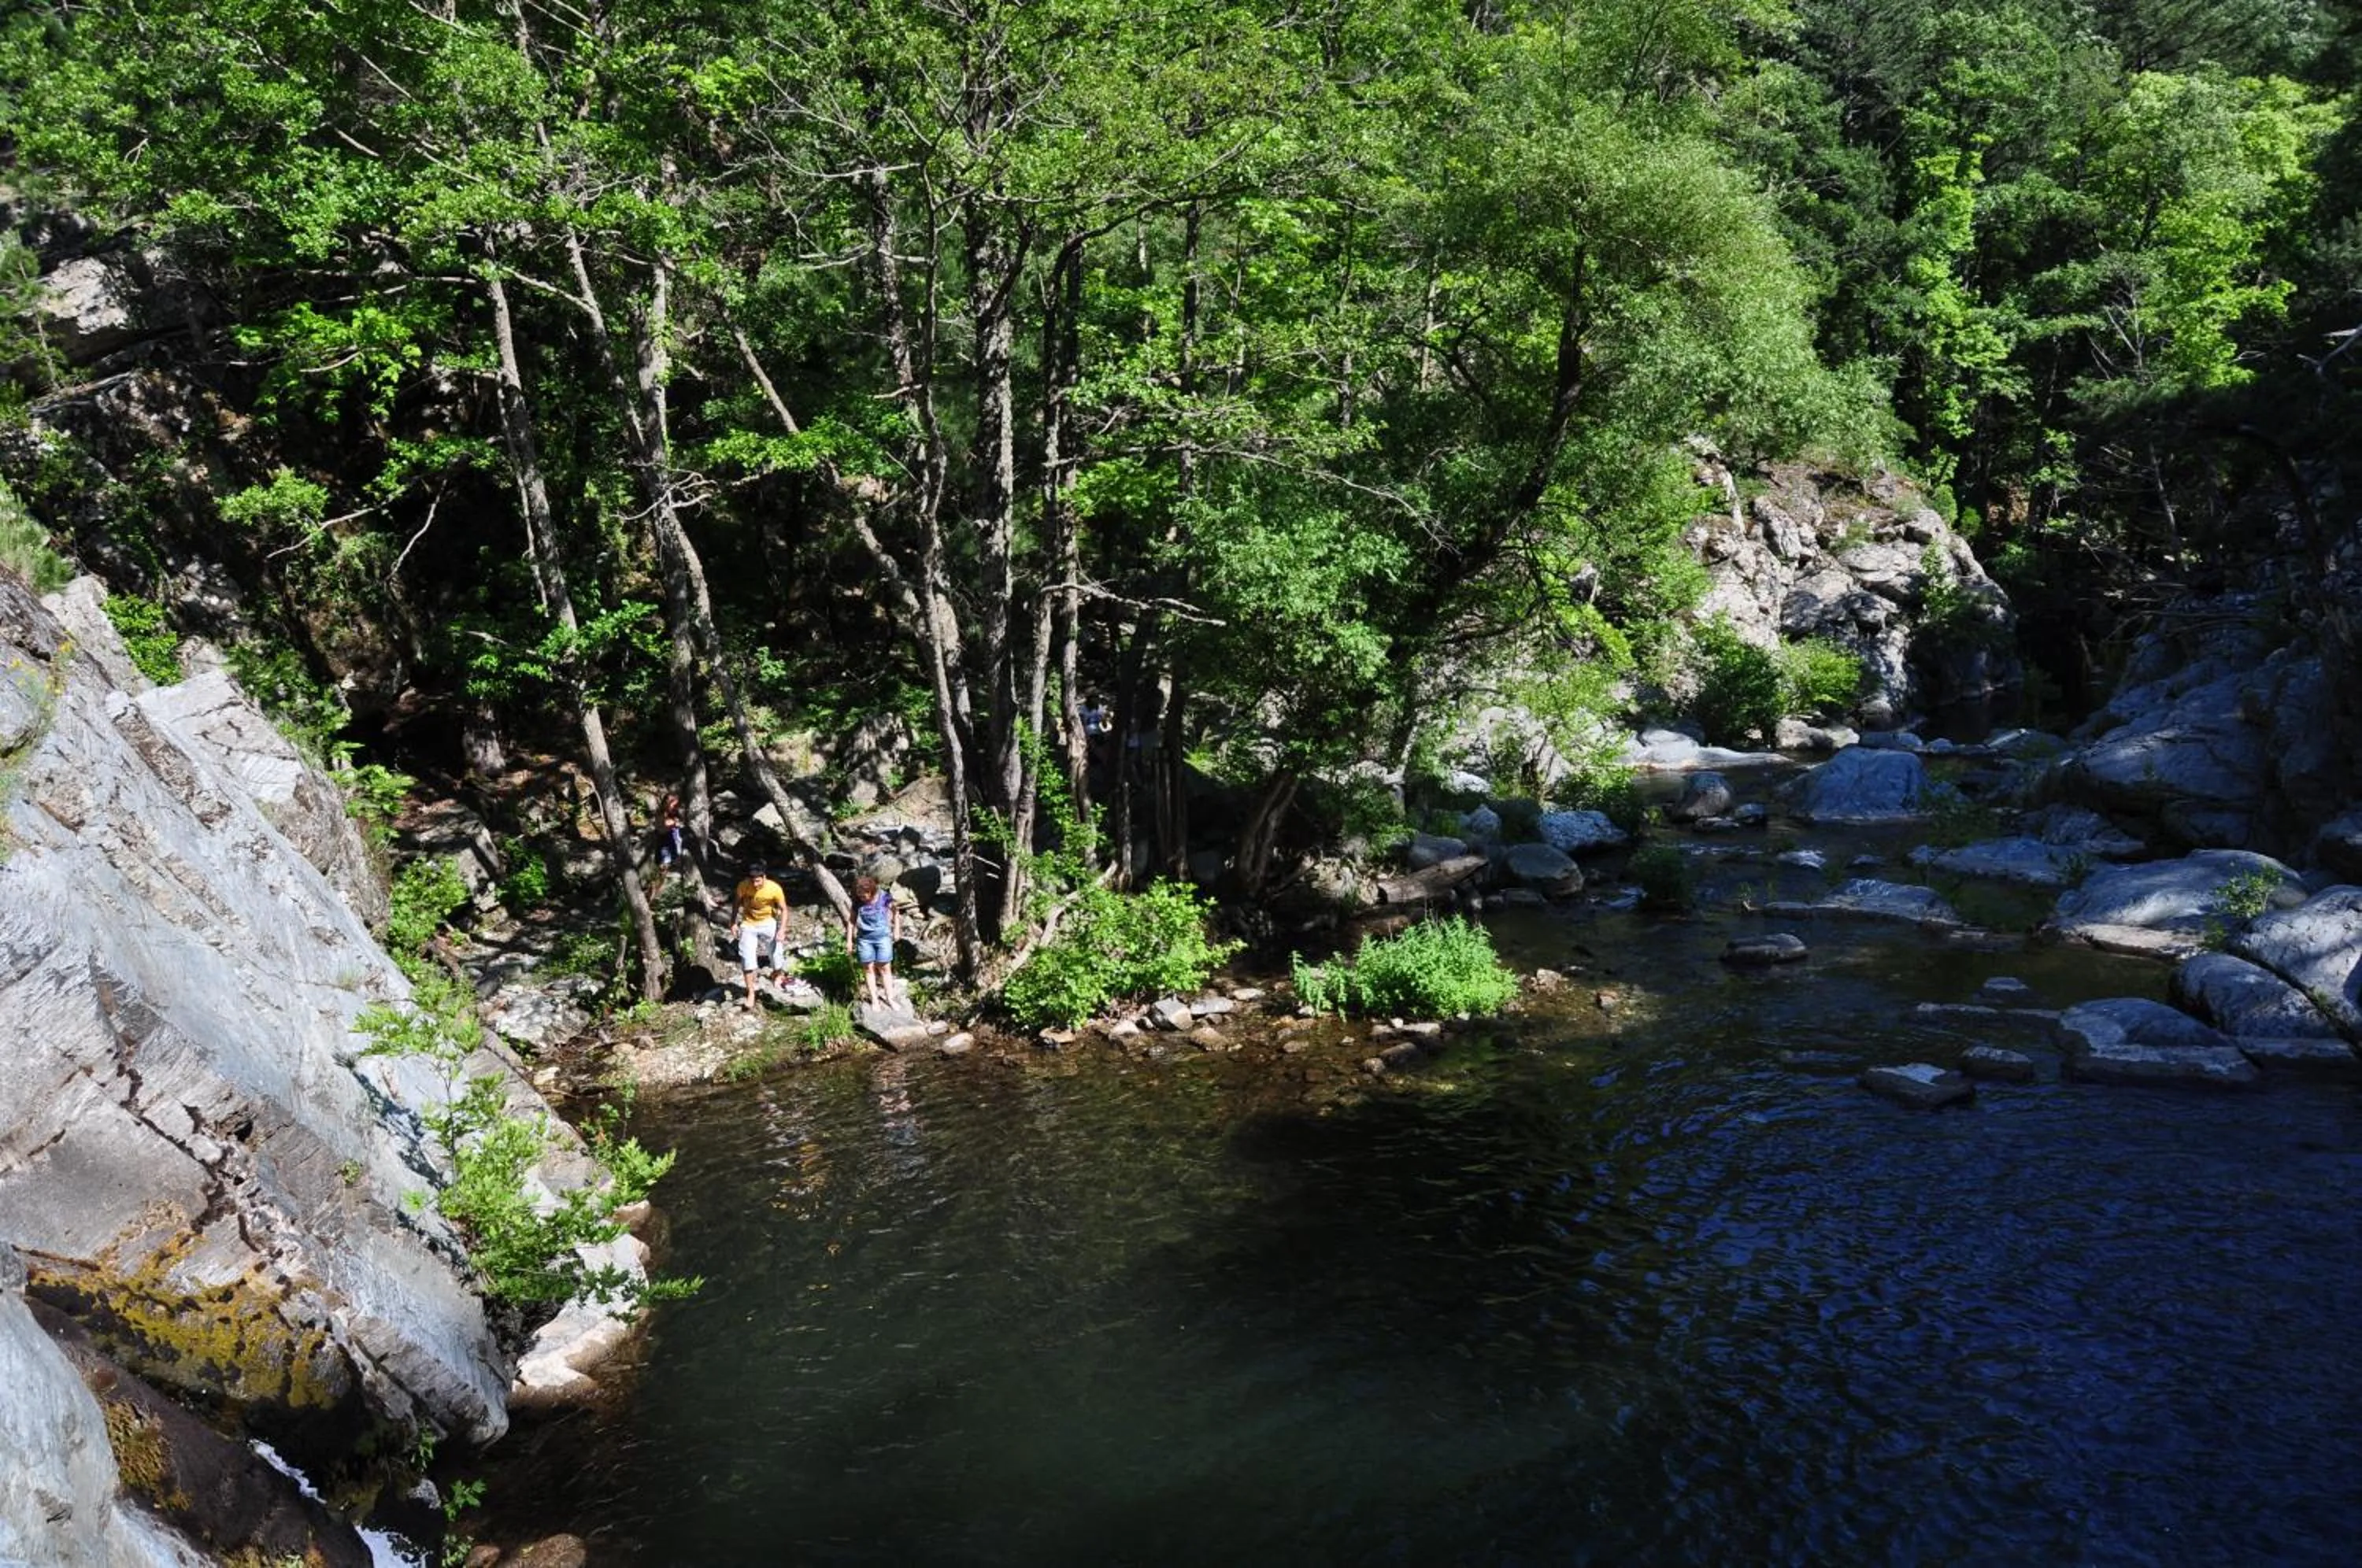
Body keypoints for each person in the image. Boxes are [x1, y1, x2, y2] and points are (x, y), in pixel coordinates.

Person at [728, 861, 791, 1010]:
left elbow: (784, 909)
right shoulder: (743, 886)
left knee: (775, 950)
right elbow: (736, 903)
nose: (755, 884)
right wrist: (733, 922)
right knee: (746, 957)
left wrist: (782, 929)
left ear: (764, 877)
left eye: (758, 880)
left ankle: (777, 974)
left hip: (768, 921)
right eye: (753, 880)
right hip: (748, 923)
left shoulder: (774, 888)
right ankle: (751, 991)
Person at [846, 873, 899, 1010]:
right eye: (859, 894)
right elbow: (851, 921)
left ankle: (890, 999)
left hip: (883, 938)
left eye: (864, 895)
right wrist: (849, 941)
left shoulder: (884, 897)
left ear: (872, 891)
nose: (861, 897)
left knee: (885, 968)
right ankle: (875, 1001)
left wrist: (896, 929)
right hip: (865, 940)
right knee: (868, 969)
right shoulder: (858, 902)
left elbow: (896, 911)